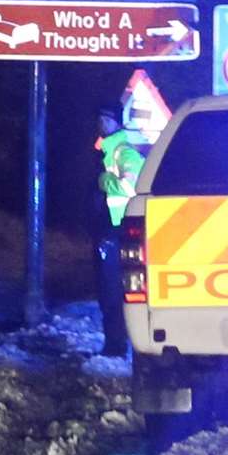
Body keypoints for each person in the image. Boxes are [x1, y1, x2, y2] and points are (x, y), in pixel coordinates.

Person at [93, 104, 145, 356]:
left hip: (121, 230)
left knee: (113, 290)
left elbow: (130, 187)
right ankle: (114, 343)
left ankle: (116, 345)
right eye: (100, 119)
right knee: (109, 290)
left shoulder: (123, 152)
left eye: (106, 119)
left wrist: (105, 182)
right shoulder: (109, 151)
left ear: (117, 123)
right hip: (112, 229)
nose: (102, 124)